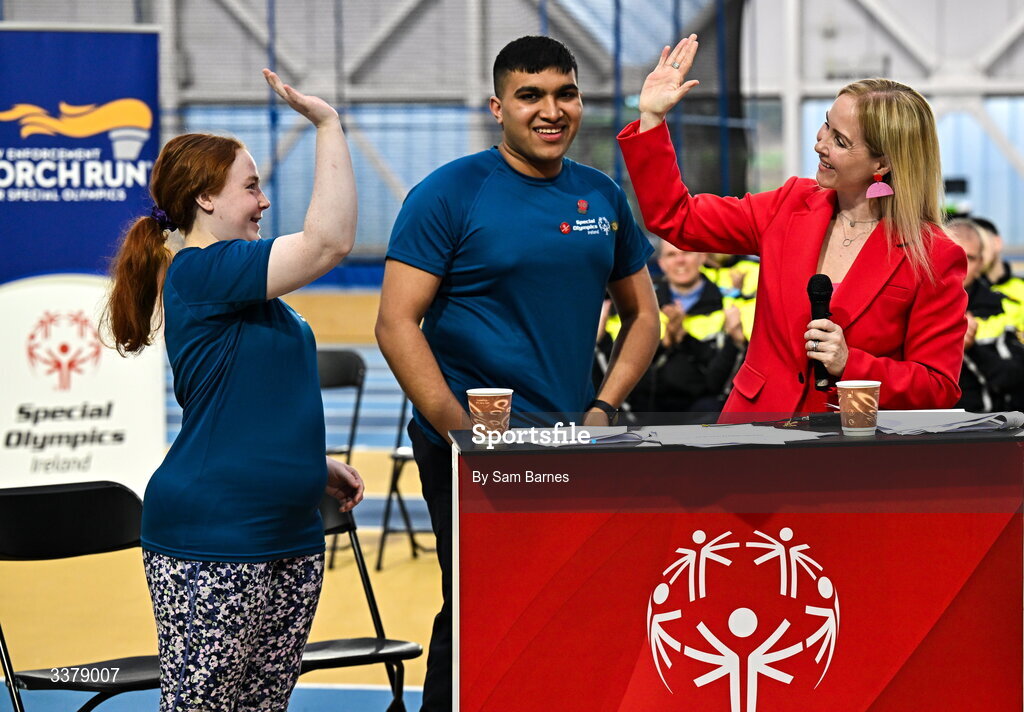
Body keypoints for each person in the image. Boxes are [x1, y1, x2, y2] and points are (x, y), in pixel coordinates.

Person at [375, 36, 660, 710]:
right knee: (478, 605)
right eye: (531, 95)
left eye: (565, 94)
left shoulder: (600, 195)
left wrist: (602, 408)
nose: (550, 110)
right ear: (498, 106)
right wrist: (458, 433)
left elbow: (643, 316)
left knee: (570, 604)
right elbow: (395, 324)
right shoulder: (449, 193)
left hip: (573, 444)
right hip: (470, 446)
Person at [103, 70, 364, 711]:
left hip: (289, 535)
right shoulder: (198, 271)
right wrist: (328, 124)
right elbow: (329, 242)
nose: (263, 201)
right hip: (213, 540)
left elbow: (250, 395)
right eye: (251, 188)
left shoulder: (247, 290)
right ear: (206, 200)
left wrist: (310, 466)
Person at [618, 35, 968, 417]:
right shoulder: (788, 205)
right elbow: (676, 217)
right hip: (753, 433)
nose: (820, 144)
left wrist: (851, 365)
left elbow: (938, 387)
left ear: (881, 165)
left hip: (851, 448)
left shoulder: (934, 255)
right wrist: (652, 118)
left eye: (841, 140)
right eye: (825, 125)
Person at [620, 241, 748, 418]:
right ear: (661, 263)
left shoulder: (732, 305)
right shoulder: (639, 306)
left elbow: (721, 381)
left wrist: (684, 338)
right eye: (671, 255)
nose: (680, 261)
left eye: (686, 253)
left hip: (705, 413)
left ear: (702, 257)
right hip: (648, 411)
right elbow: (624, 372)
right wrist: (666, 343)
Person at [947, 219, 1024, 411]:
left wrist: (969, 348)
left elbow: (1014, 378)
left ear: (981, 262)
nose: (961, 265)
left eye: (969, 258)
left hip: (983, 427)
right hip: (921, 424)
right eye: (953, 255)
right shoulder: (912, 303)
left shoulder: (999, 307)